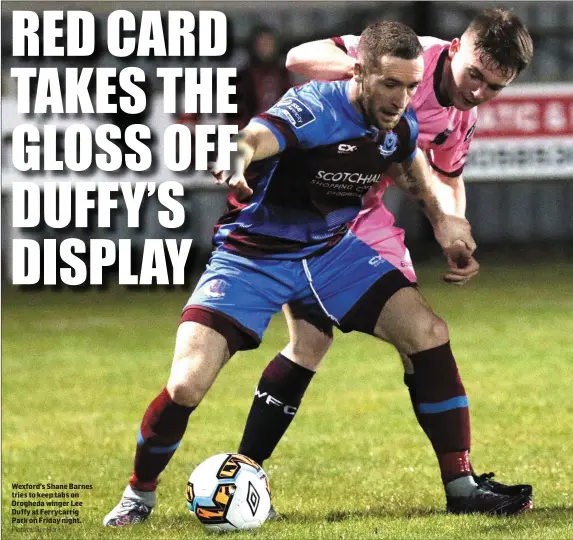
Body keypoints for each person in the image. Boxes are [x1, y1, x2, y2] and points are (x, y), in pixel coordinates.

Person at [103, 20, 524, 528]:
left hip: (332, 252)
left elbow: (416, 173)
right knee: (187, 385)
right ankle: (138, 495)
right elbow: (259, 133)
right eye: (390, 84)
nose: (402, 99)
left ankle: (462, 487)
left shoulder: (403, 122)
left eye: (411, 87)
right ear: (360, 72)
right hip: (253, 256)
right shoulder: (318, 105)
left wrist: (446, 223)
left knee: (428, 333)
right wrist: (236, 159)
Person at [235, 7, 534, 511]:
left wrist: (452, 229)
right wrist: (367, 74)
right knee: (323, 342)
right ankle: (240, 471)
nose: (479, 92)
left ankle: (241, 473)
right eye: (475, 77)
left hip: (362, 211)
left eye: (494, 88)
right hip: (307, 205)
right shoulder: (407, 56)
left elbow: (449, 174)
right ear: (456, 50)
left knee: (406, 337)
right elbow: (298, 56)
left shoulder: (464, 111)